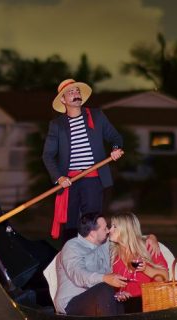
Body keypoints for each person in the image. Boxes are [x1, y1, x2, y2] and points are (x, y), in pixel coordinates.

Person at [43, 78, 124, 241]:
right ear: (63, 100)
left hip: (93, 179)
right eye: (70, 92)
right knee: (71, 224)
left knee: (92, 222)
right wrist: (59, 178)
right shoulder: (57, 125)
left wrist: (115, 149)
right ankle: (70, 259)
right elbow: (47, 155)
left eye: (77, 91)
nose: (76, 94)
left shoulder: (97, 116)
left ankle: (94, 259)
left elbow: (115, 137)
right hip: (69, 181)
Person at [54, 212, 126, 316]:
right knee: (104, 288)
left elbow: (130, 238)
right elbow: (79, 275)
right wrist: (105, 278)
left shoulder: (104, 244)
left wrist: (151, 238)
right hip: (71, 302)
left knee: (120, 298)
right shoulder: (72, 247)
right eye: (105, 228)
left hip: (98, 297)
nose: (108, 230)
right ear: (92, 233)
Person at [109, 212, 169, 313]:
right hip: (124, 305)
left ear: (126, 230)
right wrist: (118, 295)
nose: (109, 230)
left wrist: (145, 269)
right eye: (111, 226)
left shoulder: (148, 247)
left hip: (149, 303)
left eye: (114, 227)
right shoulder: (113, 254)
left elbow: (165, 277)